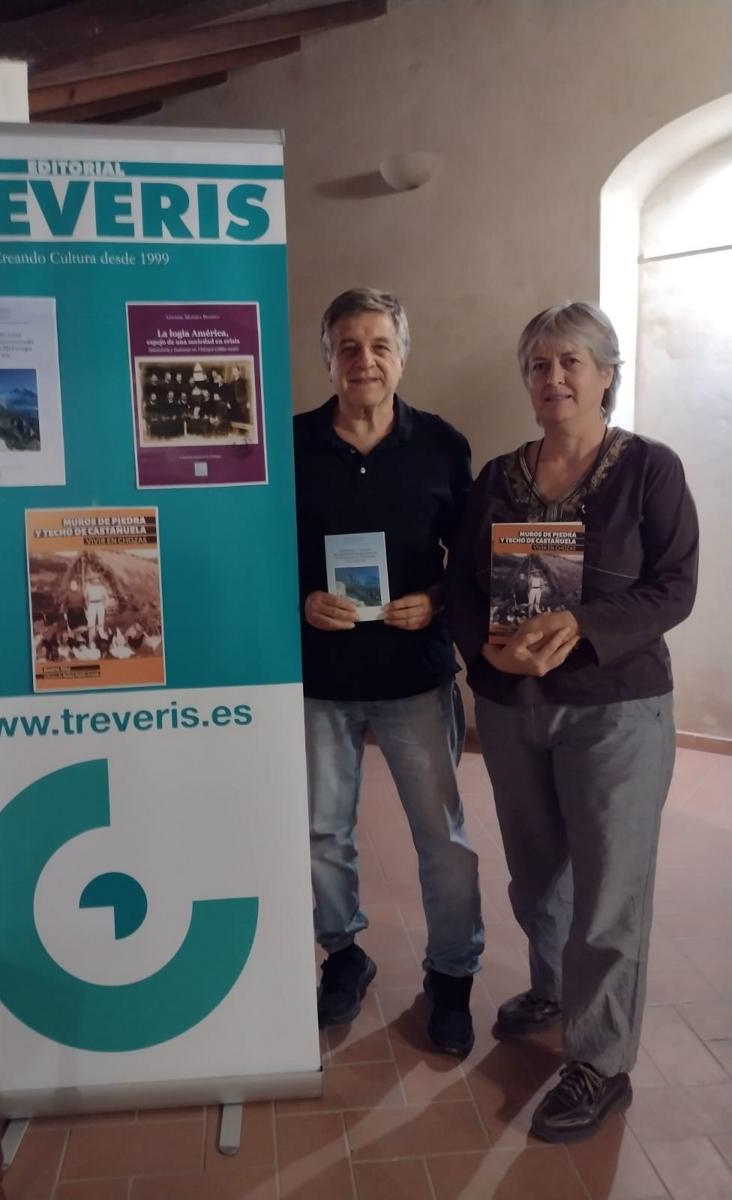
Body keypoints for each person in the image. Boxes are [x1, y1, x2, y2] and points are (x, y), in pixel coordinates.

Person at [446, 301, 698, 1142]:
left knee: (610, 889)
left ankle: (599, 1060)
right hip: (515, 707)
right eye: (538, 365)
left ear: (605, 375)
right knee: (536, 869)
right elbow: (463, 587)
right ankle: (555, 987)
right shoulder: (497, 476)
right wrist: (486, 654)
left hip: (616, 711)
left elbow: (675, 586)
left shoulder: (649, 470)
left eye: (571, 363)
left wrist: (583, 627)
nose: (553, 379)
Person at [294, 287, 484, 1055]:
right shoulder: (292, 443)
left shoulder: (442, 445)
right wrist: (300, 599)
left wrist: (435, 599)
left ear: (402, 354)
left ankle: (451, 976)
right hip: (319, 677)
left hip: (413, 672)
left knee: (441, 836)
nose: (363, 360)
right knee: (320, 832)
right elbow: (259, 551)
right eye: (347, 345)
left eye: (379, 345)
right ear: (328, 357)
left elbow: (469, 564)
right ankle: (344, 956)